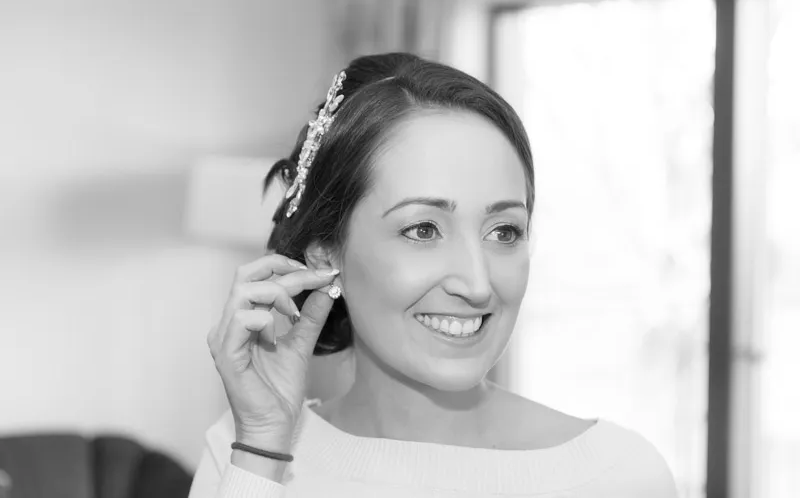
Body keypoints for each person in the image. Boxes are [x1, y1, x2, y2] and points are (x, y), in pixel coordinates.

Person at [189, 53, 678, 498]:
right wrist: (262, 451)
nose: (478, 283)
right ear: (323, 257)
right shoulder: (244, 455)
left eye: (504, 231)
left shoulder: (618, 476)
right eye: (423, 229)